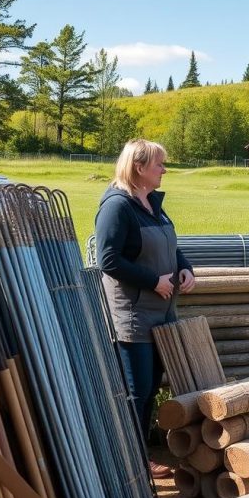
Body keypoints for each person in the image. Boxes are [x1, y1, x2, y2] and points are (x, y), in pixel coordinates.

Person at [95, 139, 196, 479]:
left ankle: (141, 454)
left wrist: (185, 267)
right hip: (134, 315)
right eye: (159, 165)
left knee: (151, 385)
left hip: (162, 310)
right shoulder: (116, 206)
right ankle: (131, 461)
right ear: (139, 168)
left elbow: (171, 243)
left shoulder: (151, 201)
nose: (165, 170)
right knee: (136, 390)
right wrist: (153, 280)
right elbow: (108, 260)